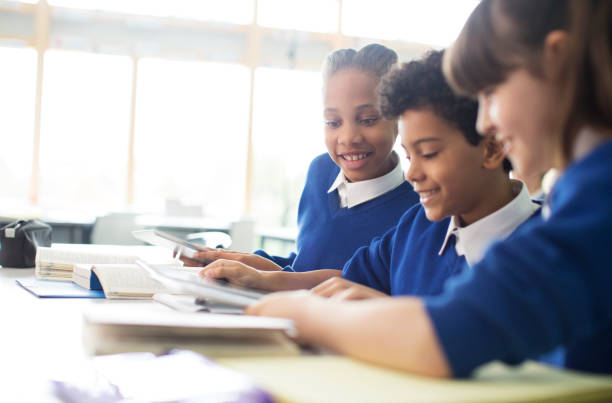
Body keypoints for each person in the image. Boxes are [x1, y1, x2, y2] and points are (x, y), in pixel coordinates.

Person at [245, 0, 612, 378]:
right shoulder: (575, 195)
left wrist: (303, 314)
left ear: (556, 60)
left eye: (491, 91)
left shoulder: (599, 198)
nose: (485, 120)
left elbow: (445, 337)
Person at [203, 50, 540, 298]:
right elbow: (341, 279)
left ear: (493, 148)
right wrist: (259, 279)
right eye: (409, 155)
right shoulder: (417, 226)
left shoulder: (546, 245)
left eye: (429, 154)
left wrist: (387, 310)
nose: (412, 174)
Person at [187, 44, 418, 285]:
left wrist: (263, 279)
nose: (349, 137)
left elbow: (356, 285)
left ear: (398, 118)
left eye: (368, 119)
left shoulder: (416, 210)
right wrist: (231, 261)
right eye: (333, 122)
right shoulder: (321, 173)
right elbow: (304, 267)